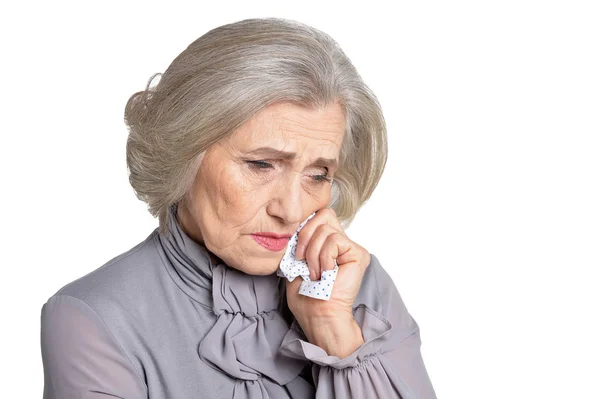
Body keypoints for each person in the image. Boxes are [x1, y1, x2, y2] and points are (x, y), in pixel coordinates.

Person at [40, 17, 437, 399]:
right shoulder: (95, 318)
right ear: (184, 154)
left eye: (318, 174)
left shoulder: (356, 286)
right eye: (261, 164)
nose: (293, 209)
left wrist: (335, 332)